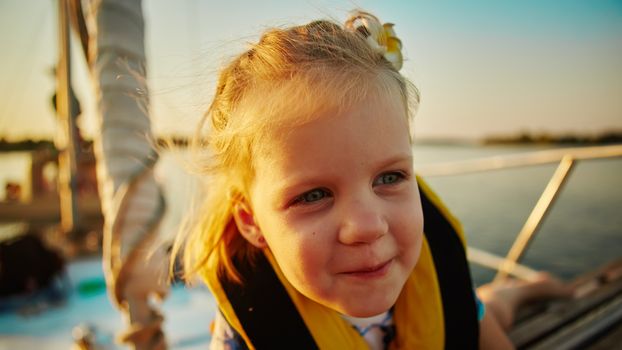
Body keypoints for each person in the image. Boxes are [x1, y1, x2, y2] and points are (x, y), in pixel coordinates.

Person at [173, 10, 572, 349]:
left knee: (491, 307)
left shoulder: (439, 263)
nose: (367, 226)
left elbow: (475, 328)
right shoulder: (245, 330)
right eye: (313, 194)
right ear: (252, 223)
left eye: (390, 177)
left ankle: (527, 288)